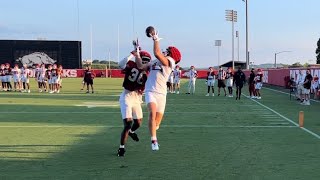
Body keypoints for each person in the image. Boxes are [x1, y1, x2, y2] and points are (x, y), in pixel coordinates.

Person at [135, 29, 181, 151]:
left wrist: (155, 39)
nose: (165, 51)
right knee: (152, 113)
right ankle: (154, 141)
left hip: (162, 94)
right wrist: (137, 54)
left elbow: (156, 52)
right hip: (150, 91)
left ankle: (154, 130)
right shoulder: (155, 61)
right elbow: (140, 66)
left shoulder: (170, 61)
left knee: (156, 123)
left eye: (167, 50)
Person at [117, 46, 151, 157]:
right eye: (143, 60)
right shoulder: (131, 64)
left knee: (138, 123)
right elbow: (120, 64)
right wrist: (132, 53)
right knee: (127, 124)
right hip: (127, 96)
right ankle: (121, 148)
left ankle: (131, 132)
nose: (145, 63)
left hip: (137, 97)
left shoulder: (147, 71)